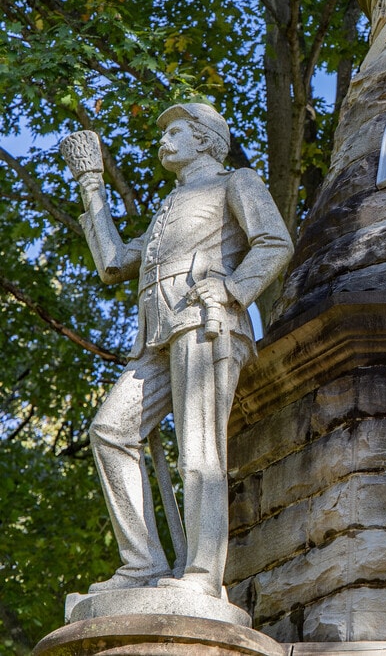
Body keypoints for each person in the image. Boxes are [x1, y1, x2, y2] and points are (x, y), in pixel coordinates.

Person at [75, 102, 294, 597]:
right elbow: (112, 263)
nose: (164, 139)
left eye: (175, 131)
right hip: (157, 333)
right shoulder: (167, 207)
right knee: (110, 431)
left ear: (204, 139)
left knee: (199, 449)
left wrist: (233, 289)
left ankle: (200, 575)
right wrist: (92, 186)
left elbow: (274, 242)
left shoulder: (235, 182)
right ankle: (143, 565)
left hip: (205, 322)